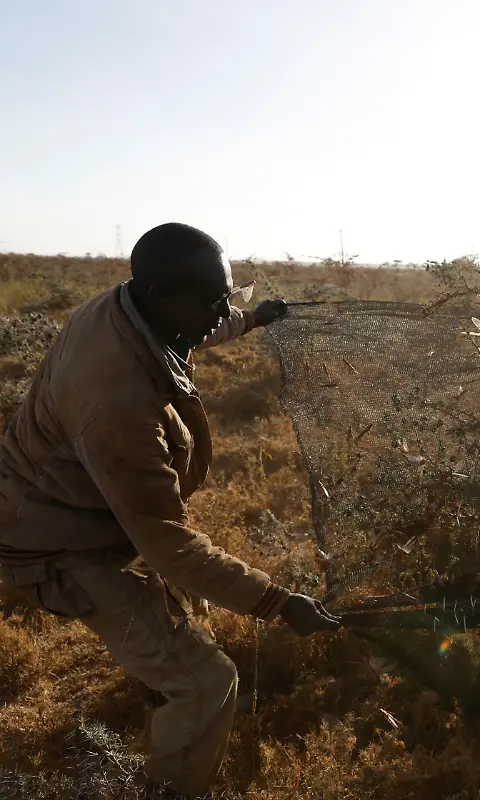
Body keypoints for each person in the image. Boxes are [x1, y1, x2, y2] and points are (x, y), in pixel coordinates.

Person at [0, 223, 341, 797]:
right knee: (206, 682)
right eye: (212, 302)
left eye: (225, 299)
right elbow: (165, 541)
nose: (220, 313)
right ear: (161, 295)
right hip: (51, 544)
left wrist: (252, 318)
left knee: (184, 605)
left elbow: (193, 329)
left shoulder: (130, 308)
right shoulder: (116, 403)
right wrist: (279, 603)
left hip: (84, 513)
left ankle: (162, 694)